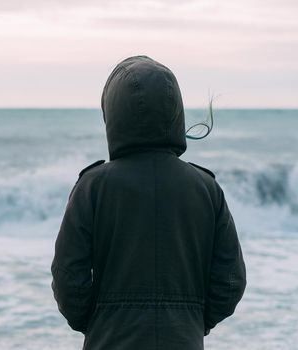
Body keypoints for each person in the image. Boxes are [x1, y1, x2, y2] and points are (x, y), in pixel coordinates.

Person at [51, 55, 246, 349]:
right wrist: (191, 320)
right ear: (176, 111)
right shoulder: (206, 188)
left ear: (113, 113)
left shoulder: (93, 186)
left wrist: (96, 322)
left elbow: (68, 277)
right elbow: (230, 281)